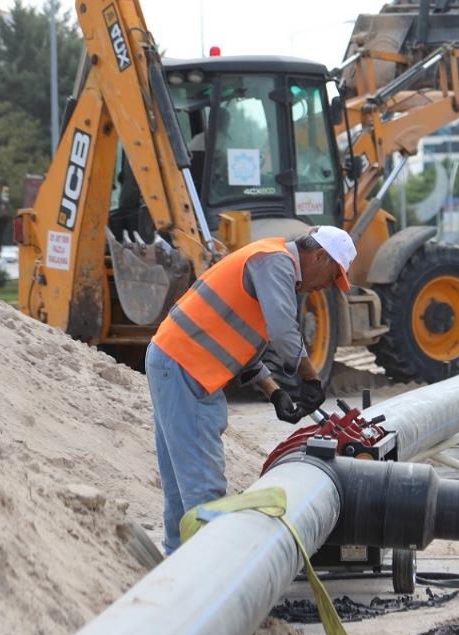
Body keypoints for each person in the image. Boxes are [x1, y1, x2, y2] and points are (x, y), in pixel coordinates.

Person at [146, 226, 356, 555]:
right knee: (203, 484)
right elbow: (284, 330)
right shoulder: (275, 262)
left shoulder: (269, 260)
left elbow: (244, 348)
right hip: (187, 367)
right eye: (333, 276)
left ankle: (176, 566)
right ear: (318, 257)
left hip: (173, 361)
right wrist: (311, 379)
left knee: (180, 484)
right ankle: (211, 572)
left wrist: (274, 393)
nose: (328, 285)